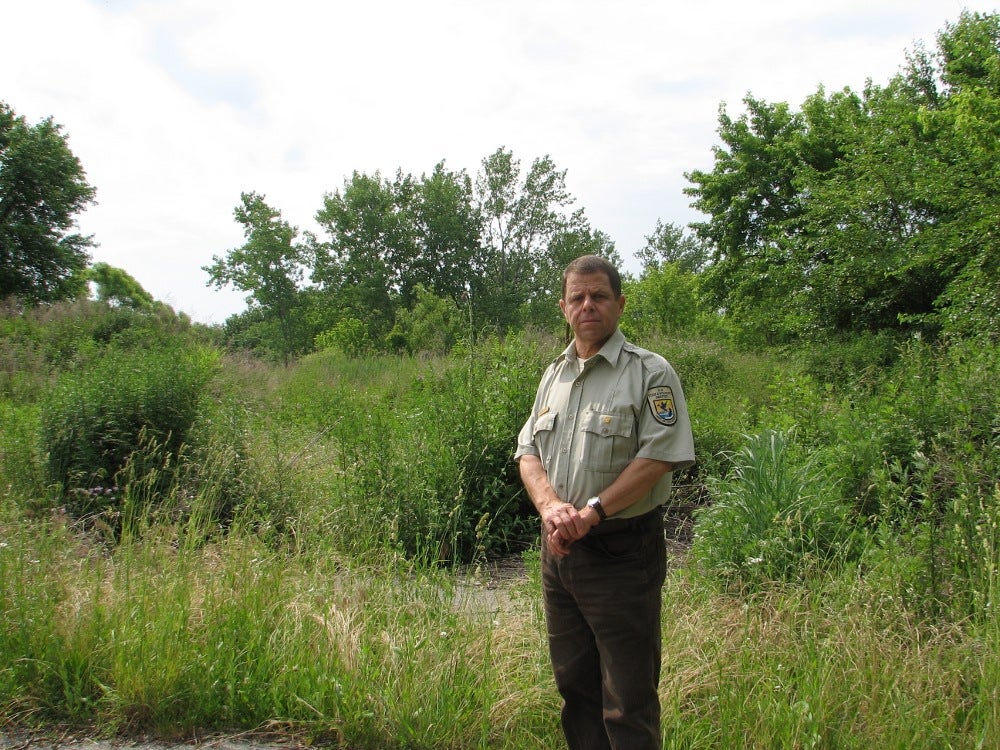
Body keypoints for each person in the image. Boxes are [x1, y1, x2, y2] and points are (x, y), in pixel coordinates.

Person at [515, 254, 695, 750]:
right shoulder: (554, 375)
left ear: (620, 304)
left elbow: (659, 457)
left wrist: (592, 511)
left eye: (599, 295)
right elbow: (528, 452)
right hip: (561, 553)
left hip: (621, 552)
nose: (588, 305)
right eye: (578, 297)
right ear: (564, 307)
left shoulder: (649, 373)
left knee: (628, 699)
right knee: (576, 691)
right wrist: (552, 507)